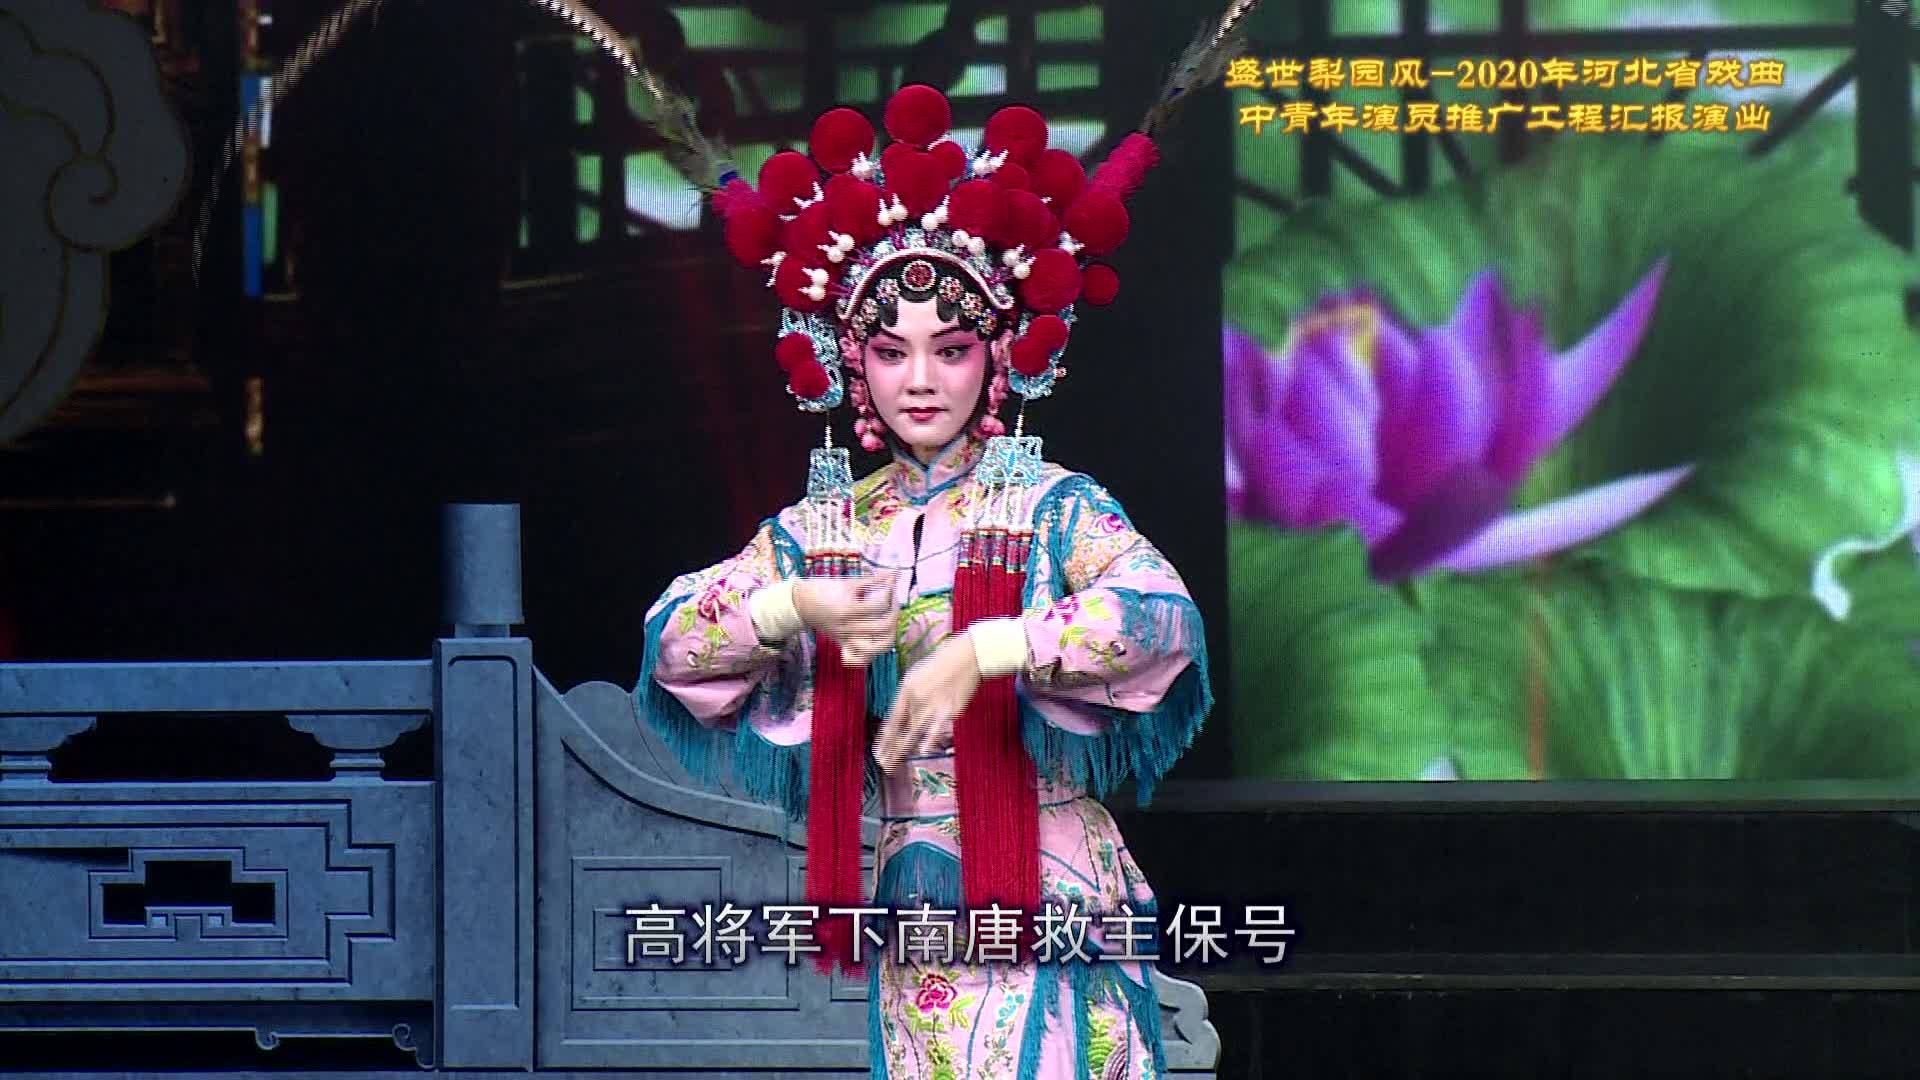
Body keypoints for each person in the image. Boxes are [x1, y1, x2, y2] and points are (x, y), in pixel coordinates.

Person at [632, 32, 1242, 1075]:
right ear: (850, 362)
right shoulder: (824, 530)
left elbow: (1158, 617)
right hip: (913, 908)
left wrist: (988, 649)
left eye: (950, 349)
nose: (920, 379)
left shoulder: (1052, 509)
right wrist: (792, 609)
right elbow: (677, 644)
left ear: (996, 356)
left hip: (1052, 891)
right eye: (891, 349)